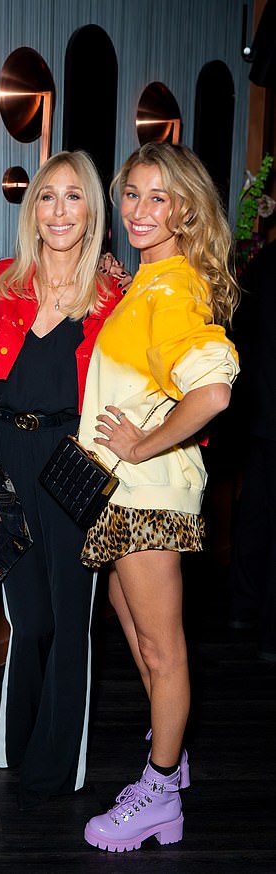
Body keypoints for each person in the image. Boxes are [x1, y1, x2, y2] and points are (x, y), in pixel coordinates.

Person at [78, 141, 240, 852]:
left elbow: (211, 389)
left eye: (159, 198)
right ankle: (167, 769)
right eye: (133, 194)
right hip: (124, 495)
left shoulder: (170, 290)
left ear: (185, 209)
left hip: (147, 495)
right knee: (142, 638)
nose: (141, 210)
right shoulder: (151, 283)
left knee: (162, 650)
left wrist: (143, 444)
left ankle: (159, 790)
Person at [0, 150, 123, 810]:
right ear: (32, 210)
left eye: (74, 197)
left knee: (72, 617)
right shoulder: (3, 280)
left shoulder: (114, 293)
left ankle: (57, 762)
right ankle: (18, 740)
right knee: (27, 616)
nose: (60, 210)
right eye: (47, 197)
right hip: (5, 455)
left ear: (91, 211)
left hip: (74, 459)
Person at [227, 238, 276, 660]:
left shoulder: (264, 261)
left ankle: (242, 607)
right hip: (262, 409)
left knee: (256, 512)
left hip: (260, 411)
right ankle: (270, 634)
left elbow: (241, 332)